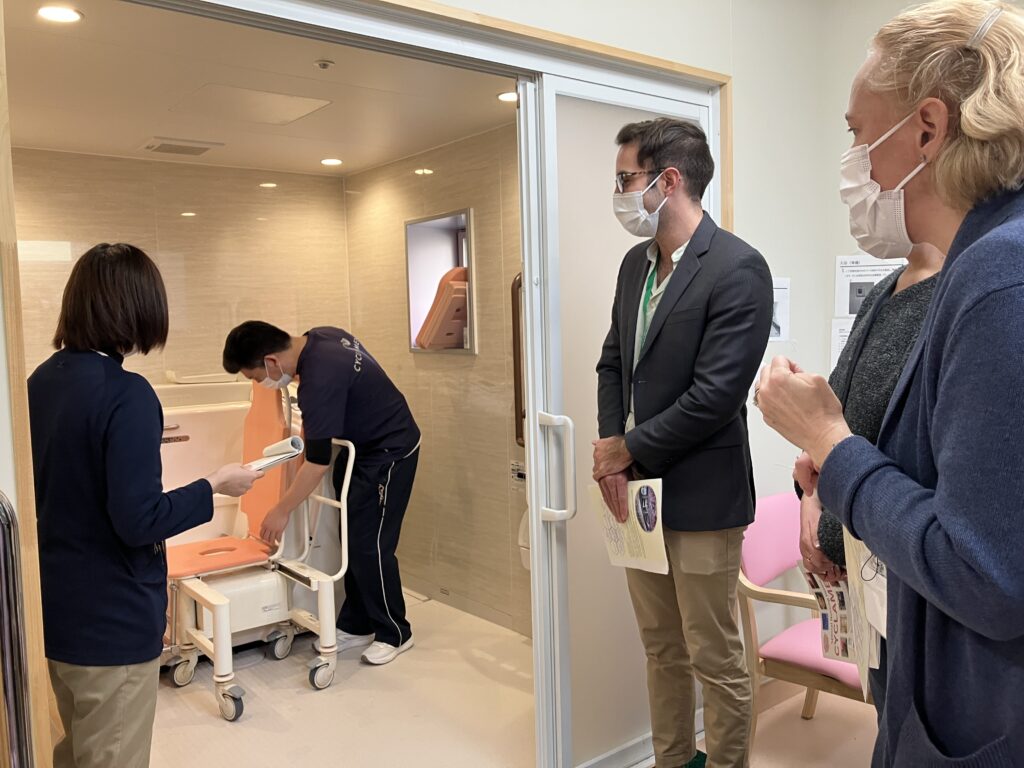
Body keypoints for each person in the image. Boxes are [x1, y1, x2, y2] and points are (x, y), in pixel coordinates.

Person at [756, 1, 1024, 763]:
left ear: (928, 129)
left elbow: (986, 574)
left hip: (981, 713)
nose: (854, 160)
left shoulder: (1001, 277)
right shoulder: (979, 266)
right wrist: (825, 466)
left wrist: (830, 443)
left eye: (856, 132)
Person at [28, 243, 261, 768]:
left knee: (76, 751)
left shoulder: (40, 381)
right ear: (136, 308)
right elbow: (139, 520)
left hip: (57, 612)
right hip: (110, 621)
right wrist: (214, 485)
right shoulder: (126, 393)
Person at [594, 118, 773, 768]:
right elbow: (614, 362)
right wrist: (611, 449)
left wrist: (627, 450)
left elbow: (715, 397)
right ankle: (671, 760)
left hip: (704, 496)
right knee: (661, 649)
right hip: (639, 495)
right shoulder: (634, 267)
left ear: (668, 181)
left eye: (626, 180)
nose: (618, 193)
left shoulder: (737, 268)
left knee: (715, 657)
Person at [798, 242, 944, 714]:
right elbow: (834, 422)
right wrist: (809, 499)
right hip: (862, 571)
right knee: (889, 715)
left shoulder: (966, 291)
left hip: (917, 576)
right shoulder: (885, 290)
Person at [222, 322, 420, 666]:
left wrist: (281, 509)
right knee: (353, 539)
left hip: (390, 449)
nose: (261, 384)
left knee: (370, 544)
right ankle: (358, 623)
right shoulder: (319, 337)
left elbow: (316, 463)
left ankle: (395, 632)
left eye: (255, 377)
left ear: (271, 361)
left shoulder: (319, 379)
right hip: (360, 448)